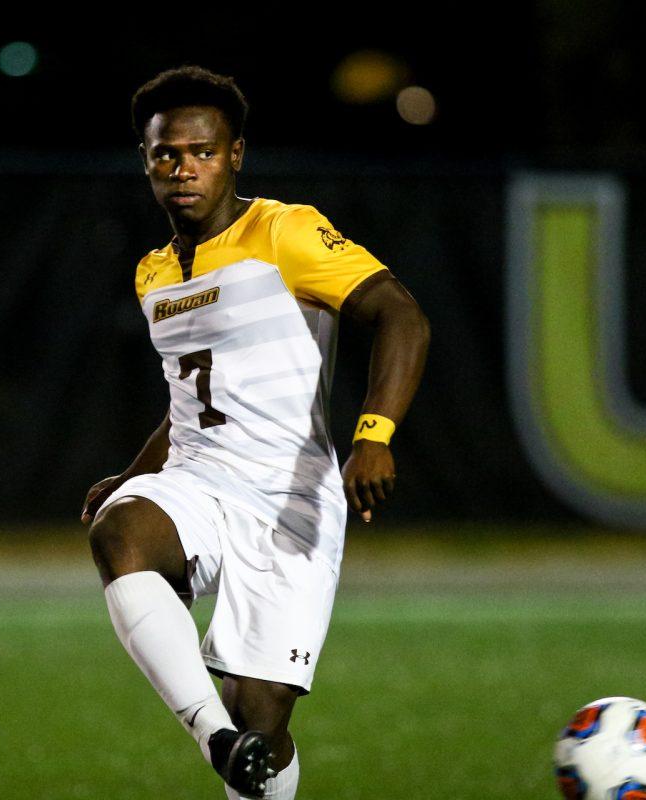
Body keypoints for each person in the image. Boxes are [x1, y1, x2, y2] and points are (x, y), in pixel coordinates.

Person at [81, 66, 430, 799]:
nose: (183, 169)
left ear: (236, 154)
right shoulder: (152, 273)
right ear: (145, 162)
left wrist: (375, 434)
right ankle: (214, 738)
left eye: (201, 152)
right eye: (164, 155)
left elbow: (401, 314)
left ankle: (238, 744)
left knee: (263, 720)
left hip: (289, 500)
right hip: (201, 481)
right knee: (120, 533)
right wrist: (132, 474)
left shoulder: (286, 232)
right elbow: (188, 402)